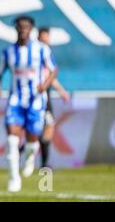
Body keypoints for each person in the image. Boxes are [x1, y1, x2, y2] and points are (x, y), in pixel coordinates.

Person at [0, 16, 57, 192]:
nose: (23, 30)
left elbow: (53, 70)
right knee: (12, 141)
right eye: (20, 27)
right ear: (16, 29)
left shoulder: (41, 50)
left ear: (31, 29)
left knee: (32, 141)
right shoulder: (7, 52)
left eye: (26, 27)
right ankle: (14, 178)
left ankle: (30, 155)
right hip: (16, 100)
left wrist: (45, 84)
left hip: (36, 101)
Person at [37, 27, 70, 168]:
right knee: (44, 126)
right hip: (39, 95)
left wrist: (62, 91)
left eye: (47, 37)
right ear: (39, 37)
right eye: (44, 36)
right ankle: (41, 160)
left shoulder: (44, 53)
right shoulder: (40, 51)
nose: (46, 39)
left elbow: (51, 76)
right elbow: (50, 74)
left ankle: (43, 160)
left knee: (47, 126)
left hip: (46, 94)